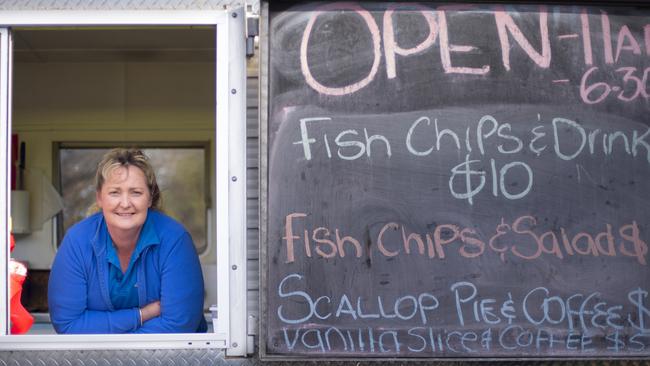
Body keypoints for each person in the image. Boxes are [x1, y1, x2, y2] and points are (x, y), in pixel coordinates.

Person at [48, 148, 207, 333]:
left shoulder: (175, 241)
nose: (125, 203)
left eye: (136, 193)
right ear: (100, 197)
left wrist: (105, 335)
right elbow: (68, 325)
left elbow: (178, 326)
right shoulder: (77, 242)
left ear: (150, 197)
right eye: (115, 192)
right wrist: (142, 314)